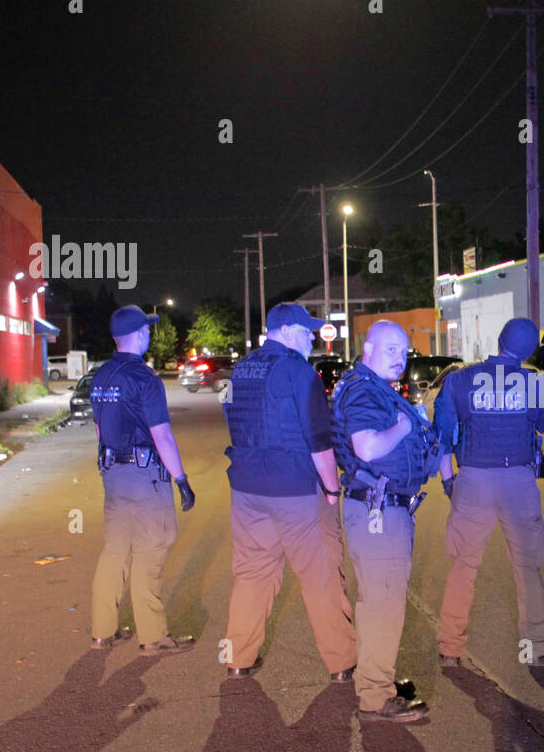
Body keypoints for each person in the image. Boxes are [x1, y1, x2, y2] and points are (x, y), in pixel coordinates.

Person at [220, 302, 357, 681]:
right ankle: (342, 663)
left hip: (247, 490)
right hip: (296, 490)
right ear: (284, 331)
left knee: (252, 574)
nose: (312, 337)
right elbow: (320, 444)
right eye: (306, 330)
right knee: (322, 577)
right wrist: (332, 490)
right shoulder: (300, 373)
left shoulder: (240, 370)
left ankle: (237, 659)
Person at [433, 317, 544, 670]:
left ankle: (450, 648)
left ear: (499, 340)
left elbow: (443, 436)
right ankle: (537, 646)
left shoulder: (460, 379)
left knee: (463, 566)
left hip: (473, 479)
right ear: (531, 350)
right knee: (527, 566)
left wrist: (449, 482)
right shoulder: (534, 383)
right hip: (518, 479)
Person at [333, 320, 442, 723]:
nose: (400, 358)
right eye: (391, 349)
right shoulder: (364, 389)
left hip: (379, 509)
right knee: (382, 605)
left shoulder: (370, 385)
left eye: (403, 350)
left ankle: (375, 679)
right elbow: (366, 446)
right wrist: (405, 424)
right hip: (378, 511)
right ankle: (376, 698)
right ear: (369, 348)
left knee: (379, 602)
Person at [88, 305, 196, 657]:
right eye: (147, 329)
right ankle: (152, 637)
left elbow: (100, 428)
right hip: (145, 475)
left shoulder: (101, 376)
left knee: (116, 550)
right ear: (138, 334)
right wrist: (180, 479)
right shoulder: (144, 379)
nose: (150, 333)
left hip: (113, 474)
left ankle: (102, 631)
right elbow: (162, 435)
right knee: (151, 550)